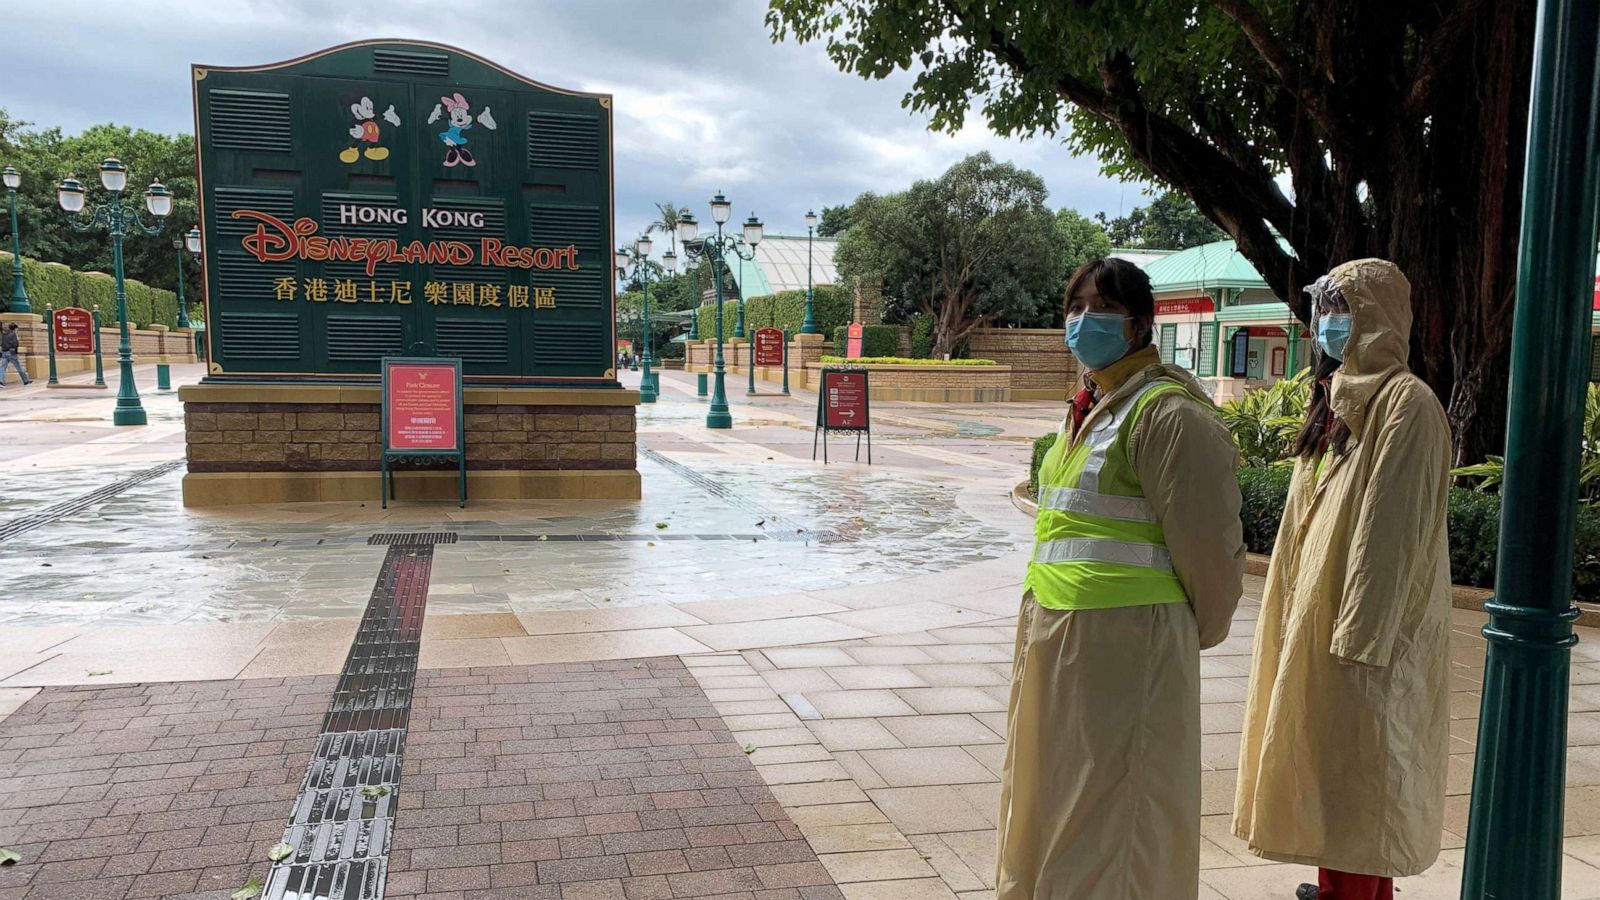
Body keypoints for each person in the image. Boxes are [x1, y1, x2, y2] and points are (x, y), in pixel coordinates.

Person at [996, 257, 1246, 899]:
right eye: (1075, 307)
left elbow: (1211, 545)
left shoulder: (1167, 414)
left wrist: (1200, 629)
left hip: (1129, 643)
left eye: (1101, 309)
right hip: (1059, 636)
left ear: (1139, 325)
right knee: (1056, 796)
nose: (1083, 321)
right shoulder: (1087, 409)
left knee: (1119, 812)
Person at [1232, 259, 1451, 900]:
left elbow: (1388, 535)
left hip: (1362, 643)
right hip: (1316, 621)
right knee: (1333, 783)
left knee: (1359, 786)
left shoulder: (1406, 405)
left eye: (1343, 309)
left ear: (1376, 318)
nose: (1329, 324)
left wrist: (1356, 645)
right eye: (1323, 310)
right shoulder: (1334, 403)